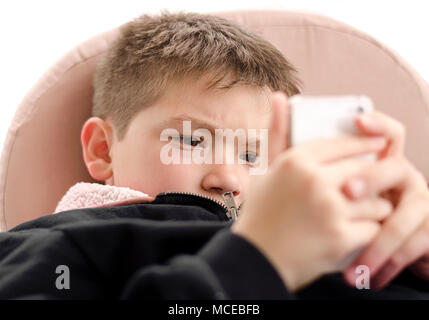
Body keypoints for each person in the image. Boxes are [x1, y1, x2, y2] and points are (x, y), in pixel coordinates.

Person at [0, 10, 428, 300]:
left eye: (252, 153)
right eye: (192, 141)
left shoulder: (338, 252)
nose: (230, 179)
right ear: (103, 149)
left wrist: (412, 260)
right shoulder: (53, 244)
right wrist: (259, 259)